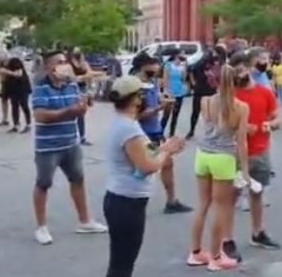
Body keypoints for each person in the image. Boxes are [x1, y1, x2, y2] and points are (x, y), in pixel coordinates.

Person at [103, 75, 186, 277]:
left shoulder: (127, 124)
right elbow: (147, 165)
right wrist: (166, 152)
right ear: (134, 99)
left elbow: (147, 151)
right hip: (126, 202)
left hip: (124, 200)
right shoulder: (129, 128)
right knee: (122, 264)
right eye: (142, 94)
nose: (146, 97)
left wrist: (165, 148)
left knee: (122, 261)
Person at [32, 51, 107, 245]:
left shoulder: (71, 85)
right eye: (59, 62)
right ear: (49, 67)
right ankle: (41, 227)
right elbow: (41, 116)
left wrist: (83, 107)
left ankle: (85, 221)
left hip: (70, 142)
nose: (65, 65)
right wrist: (70, 111)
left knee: (78, 179)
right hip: (48, 146)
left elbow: (76, 110)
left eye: (65, 61)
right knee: (43, 184)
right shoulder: (41, 88)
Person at [188, 57, 251, 271]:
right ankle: (216, 256)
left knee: (203, 205)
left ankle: (196, 252)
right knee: (222, 208)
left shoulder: (205, 102)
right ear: (235, 83)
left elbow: (201, 128)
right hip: (224, 157)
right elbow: (241, 142)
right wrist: (245, 171)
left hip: (203, 155)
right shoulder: (241, 107)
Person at [224, 50, 282, 260]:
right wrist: (239, 127)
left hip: (260, 151)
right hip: (236, 154)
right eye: (235, 71)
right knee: (232, 197)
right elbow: (222, 124)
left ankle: (258, 232)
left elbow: (278, 117)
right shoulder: (230, 94)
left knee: (257, 194)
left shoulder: (265, 92)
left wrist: (270, 125)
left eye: (242, 70)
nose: (239, 75)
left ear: (249, 68)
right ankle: (227, 239)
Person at [133, 51, 192, 214]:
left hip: (155, 131)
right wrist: (160, 107)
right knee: (145, 169)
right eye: (153, 64)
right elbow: (137, 114)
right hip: (143, 134)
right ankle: (135, 202)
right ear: (143, 66)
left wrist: (165, 102)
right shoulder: (136, 87)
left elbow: (157, 101)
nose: (156, 67)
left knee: (166, 163)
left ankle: (171, 201)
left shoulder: (151, 83)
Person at [186, 50, 220, 139]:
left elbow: (218, 77)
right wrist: (193, 83)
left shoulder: (214, 67)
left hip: (210, 91)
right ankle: (191, 130)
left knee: (212, 113)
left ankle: (212, 131)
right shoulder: (198, 65)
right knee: (195, 112)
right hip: (200, 91)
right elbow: (190, 70)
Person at [70, 47, 95, 145]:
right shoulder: (69, 64)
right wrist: (81, 77)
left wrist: (90, 93)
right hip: (72, 89)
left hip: (82, 89)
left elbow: (90, 75)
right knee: (71, 113)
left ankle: (82, 137)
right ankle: (72, 137)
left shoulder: (83, 63)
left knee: (81, 114)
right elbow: (71, 78)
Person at [161, 50, 189, 137]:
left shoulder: (182, 66)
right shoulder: (168, 65)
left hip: (179, 91)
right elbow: (165, 78)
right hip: (170, 91)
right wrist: (167, 91)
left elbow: (184, 79)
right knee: (166, 114)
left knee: (175, 114)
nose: (184, 56)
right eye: (182, 54)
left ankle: (171, 133)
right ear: (177, 55)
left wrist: (185, 67)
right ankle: (160, 133)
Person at [3, 57, 32, 134]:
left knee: (24, 106)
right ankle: (16, 125)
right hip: (14, 90)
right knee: (15, 107)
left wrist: (6, 71)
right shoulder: (13, 67)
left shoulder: (17, 67)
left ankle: (28, 124)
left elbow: (18, 74)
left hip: (22, 89)